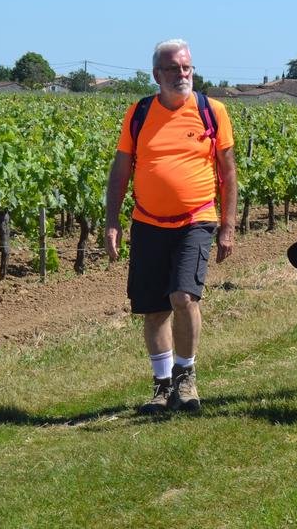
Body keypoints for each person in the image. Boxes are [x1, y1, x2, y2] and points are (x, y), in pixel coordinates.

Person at [105, 39, 238, 415]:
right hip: (147, 221)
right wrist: (112, 222)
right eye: (174, 69)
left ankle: (186, 376)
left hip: (196, 219)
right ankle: (162, 385)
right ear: (156, 75)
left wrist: (227, 225)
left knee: (183, 297)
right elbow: (120, 171)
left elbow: (228, 172)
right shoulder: (139, 112)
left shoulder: (212, 111)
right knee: (153, 308)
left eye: (187, 68)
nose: (182, 75)